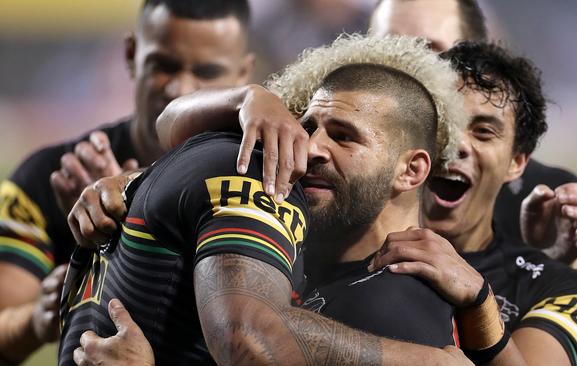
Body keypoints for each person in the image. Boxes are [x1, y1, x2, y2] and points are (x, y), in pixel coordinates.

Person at [62, 34, 473, 366]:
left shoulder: (394, 309)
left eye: (345, 136)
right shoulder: (308, 253)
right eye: (306, 125)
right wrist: (246, 100)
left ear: (412, 170)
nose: (312, 148)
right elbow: (169, 126)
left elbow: (250, 343)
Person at [369, 1, 577, 365]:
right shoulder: (336, 180)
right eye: (387, 50)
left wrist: (558, 264)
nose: (404, 71)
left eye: (426, 51)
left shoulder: (551, 193)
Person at [0, 0, 254, 362]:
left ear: (245, 73)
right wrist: (36, 319)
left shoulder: (260, 179)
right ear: (131, 54)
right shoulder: (50, 175)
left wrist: (131, 217)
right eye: (164, 66)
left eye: (207, 71)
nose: (180, 89)